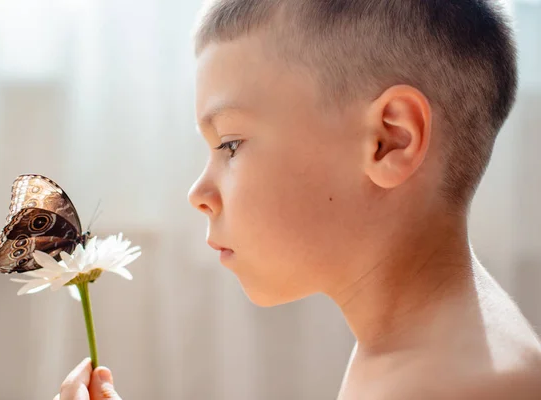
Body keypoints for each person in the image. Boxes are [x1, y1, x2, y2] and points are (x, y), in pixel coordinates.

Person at [56, 1, 541, 399]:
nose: (198, 194)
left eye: (230, 144)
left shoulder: (455, 387)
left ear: (389, 140)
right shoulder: (425, 344)